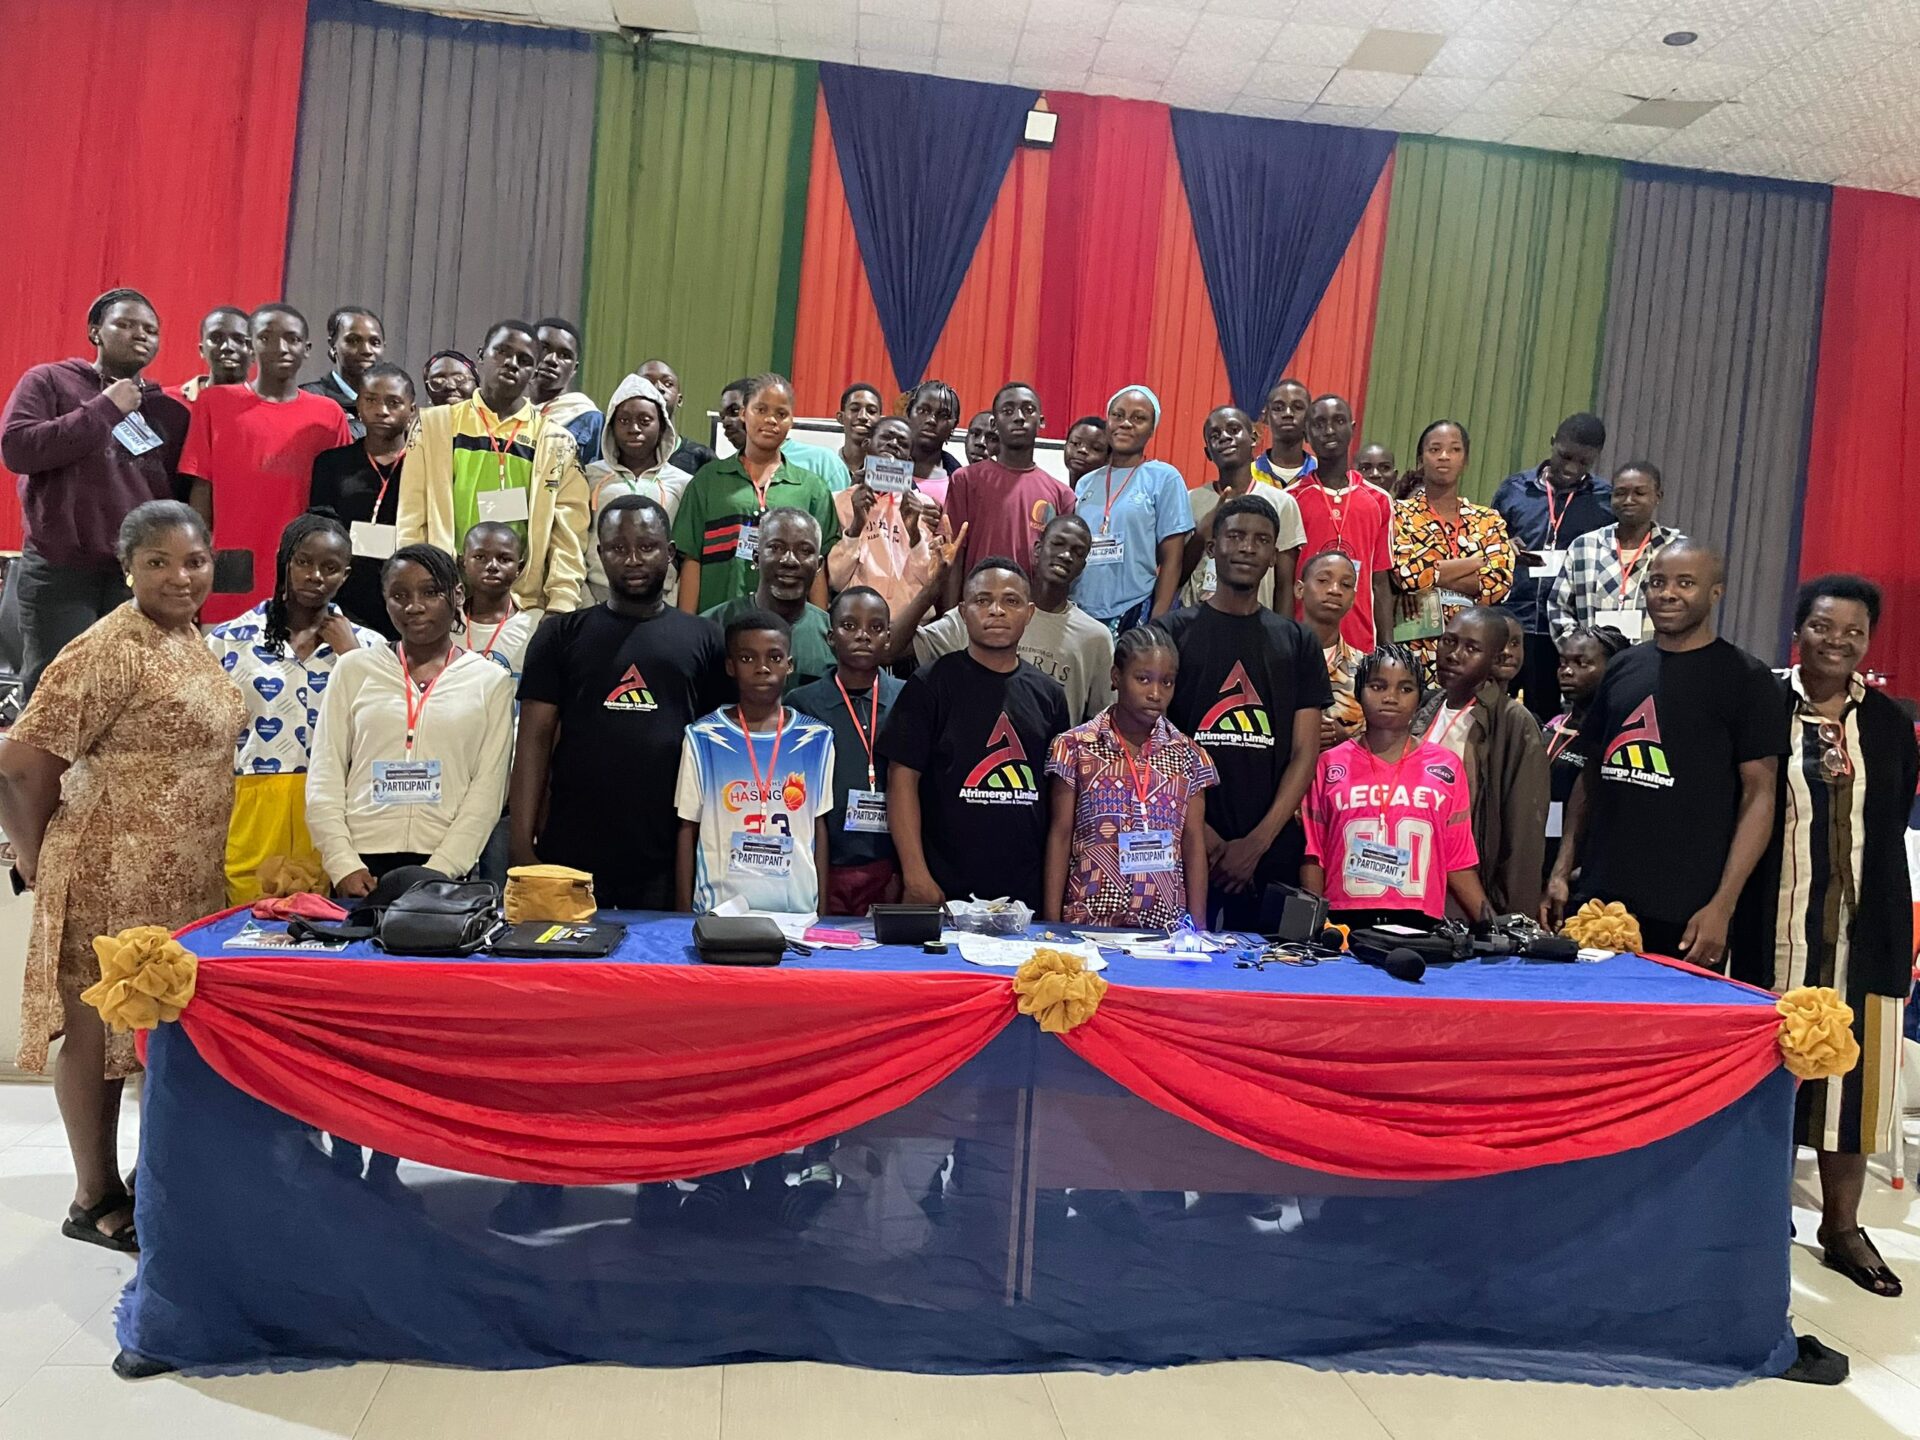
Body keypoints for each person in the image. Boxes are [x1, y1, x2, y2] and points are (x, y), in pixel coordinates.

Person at [0, 501, 245, 1252]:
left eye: (194, 561)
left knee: (149, 1035)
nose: (180, 576)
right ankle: (93, 1196)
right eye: (158, 562)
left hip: (182, 878)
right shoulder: (109, 646)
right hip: (110, 872)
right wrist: (33, 855)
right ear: (127, 568)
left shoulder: (189, 638)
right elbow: (19, 765)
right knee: (96, 1033)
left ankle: (149, 1177)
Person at [1734, 575, 1917, 1300]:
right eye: (1822, 627)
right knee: (1770, 1079)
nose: (1837, 642)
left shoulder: (1890, 723)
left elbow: (1892, 816)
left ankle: (1842, 1229)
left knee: (1855, 1088)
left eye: (1853, 632)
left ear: (1868, 641)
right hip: (1773, 925)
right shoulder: (1762, 704)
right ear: (1797, 630)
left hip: (1865, 931)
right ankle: (1760, 1218)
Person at [1545, 542, 1784, 966]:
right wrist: (1562, 871)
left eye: (1685, 583)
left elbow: (1759, 796)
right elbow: (1591, 776)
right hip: (1599, 902)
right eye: (1657, 582)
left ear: (1715, 593)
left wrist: (1723, 905)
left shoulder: (1747, 678)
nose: (1668, 593)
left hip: (1687, 914)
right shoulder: (1622, 667)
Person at [512, 496, 726, 909]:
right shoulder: (560, 635)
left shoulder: (706, 638)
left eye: (647, 547)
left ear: (670, 553)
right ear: (599, 553)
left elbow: (718, 752)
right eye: (617, 548)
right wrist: (521, 846)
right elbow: (533, 742)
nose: (632, 559)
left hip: (668, 856)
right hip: (572, 850)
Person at [1, 289, 192, 700]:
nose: (139, 335)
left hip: (136, 577)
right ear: (95, 332)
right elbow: (17, 449)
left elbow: (176, 497)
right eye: (125, 324)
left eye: (150, 330)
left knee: (129, 699)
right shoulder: (50, 381)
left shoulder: (170, 411)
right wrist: (105, 408)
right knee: (57, 696)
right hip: (61, 571)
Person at [1159, 495, 1330, 930]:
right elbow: (1155, 746)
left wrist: (1257, 843)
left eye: (1262, 540)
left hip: (1269, 847)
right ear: (1212, 547)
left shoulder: (1298, 642)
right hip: (1183, 838)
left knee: (1270, 968)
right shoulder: (1170, 633)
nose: (1248, 548)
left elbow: (1305, 752)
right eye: (1235, 536)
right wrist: (1201, 834)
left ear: (1274, 557)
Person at [305, 543, 515, 894]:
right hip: (360, 868)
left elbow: (488, 790)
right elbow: (325, 774)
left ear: (457, 595)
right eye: (399, 595)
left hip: (446, 869)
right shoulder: (354, 669)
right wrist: (342, 864)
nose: (414, 606)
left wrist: (442, 870)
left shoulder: (490, 681)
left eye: (430, 592)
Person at [878, 557, 1070, 910]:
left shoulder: (1050, 696)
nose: (996, 610)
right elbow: (901, 780)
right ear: (963, 612)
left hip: (1024, 898)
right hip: (943, 890)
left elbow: (1058, 803)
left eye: (1011, 601)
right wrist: (915, 874)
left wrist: (1052, 898)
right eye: (983, 600)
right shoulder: (930, 684)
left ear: (1029, 613)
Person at [207, 514, 379, 903]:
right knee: (250, 916)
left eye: (330, 568)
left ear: (345, 575)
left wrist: (351, 657)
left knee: (324, 920)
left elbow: (385, 728)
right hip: (253, 801)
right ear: (285, 562)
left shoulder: (369, 647)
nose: (315, 576)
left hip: (336, 804)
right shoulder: (229, 640)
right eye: (304, 562)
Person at [397, 319, 588, 617]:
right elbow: (412, 517)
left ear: (534, 370)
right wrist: (419, 587)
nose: (512, 364)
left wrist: (560, 604)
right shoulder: (435, 426)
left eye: (524, 360)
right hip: (444, 598)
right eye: (502, 352)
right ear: (481, 355)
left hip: (523, 605)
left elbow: (568, 535)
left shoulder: (556, 441)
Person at [182, 304, 354, 624]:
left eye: (292, 339)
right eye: (266, 338)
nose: (280, 348)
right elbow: (202, 492)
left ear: (307, 348)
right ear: (250, 345)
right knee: (223, 652)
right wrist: (194, 567)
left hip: (302, 572)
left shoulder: (328, 415)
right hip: (232, 566)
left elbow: (339, 501)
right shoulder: (215, 403)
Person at [1043, 625, 1216, 929]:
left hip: (1164, 928)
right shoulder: (1075, 747)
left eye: (1167, 682)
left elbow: (1193, 843)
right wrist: (1052, 924)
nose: (1155, 693)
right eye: (1143, 679)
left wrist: (1198, 930)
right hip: (1088, 923)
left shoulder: (1188, 755)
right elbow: (1060, 834)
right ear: (1116, 677)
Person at [1301, 644, 1486, 927]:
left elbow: (1458, 860)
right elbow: (1314, 856)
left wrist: (1492, 924)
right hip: (1344, 924)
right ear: (1359, 692)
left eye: (1405, 689)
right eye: (1378, 686)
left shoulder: (1447, 767)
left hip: (1420, 926)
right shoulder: (1327, 765)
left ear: (1420, 696)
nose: (1390, 697)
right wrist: (1314, 927)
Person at [674, 610, 836, 916]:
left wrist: (821, 912)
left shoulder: (816, 738)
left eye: (774, 658)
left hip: (795, 911)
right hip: (719, 911)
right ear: (730, 666)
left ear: (790, 665)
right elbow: (687, 827)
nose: (762, 668)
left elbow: (818, 825)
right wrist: (681, 916)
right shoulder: (703, 737)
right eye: (747, 658)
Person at [900, 513, 1114, 725]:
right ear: (1038, 550)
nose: (1066, 555)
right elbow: (893, 650)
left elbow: (1103, 721)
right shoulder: (980, 616)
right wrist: (933, 588)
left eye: (1077, 552)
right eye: (1058, 544)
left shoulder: (1095, 638)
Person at [1411, 607, 1549, 920]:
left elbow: (1523, 831)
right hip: (1414, 878)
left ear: (1494, 660)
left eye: (1471, 648)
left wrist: (1513, 915)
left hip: (1468, 889)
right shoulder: (1425, 708)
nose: (1453, 655)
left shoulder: (1514, 722)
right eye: (1449, 641)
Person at [673, 373, 839, 613]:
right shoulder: (708, 480)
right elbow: (691, 559)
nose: (771, 420)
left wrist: (819, 626)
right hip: (717, 622)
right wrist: (688, 626)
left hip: (786, 627)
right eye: (761, 410)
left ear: (791, 421)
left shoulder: (812, 489)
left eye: (781, 414)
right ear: (743, 413)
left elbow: (819, 567)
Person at [1491, 413, 1615, 720]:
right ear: (1552, 444)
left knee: (1547, 718)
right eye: (1565, 456)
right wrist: (1504, 546)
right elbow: (1488, 543)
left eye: (1584, 462)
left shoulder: (1605, 501)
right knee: (1493, 711)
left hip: (1563, 631)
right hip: (1511, 620)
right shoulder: (1514, 489)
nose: (1572, 468)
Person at [790, 587, 906, 915]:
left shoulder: (908, 699)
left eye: (875, 627)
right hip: (823, 864)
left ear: (888, 637)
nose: (863, 635)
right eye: (849, 626)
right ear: (831, 637)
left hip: (888, 863)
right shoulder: (802, 704)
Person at [1388, 419, 1512, 673]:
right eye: (1435, 449)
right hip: (1415, 646)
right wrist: (1474, 563)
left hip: (1472, 650)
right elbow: (1406, 575)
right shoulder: (1397, 514)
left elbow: (1498, 583)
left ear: (1465, 460)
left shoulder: (1488, 520)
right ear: (1421, 459)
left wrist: (1430, 577)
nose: (1444, 456)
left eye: (1454, 449)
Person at [308, 360, 418, 638]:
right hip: (346, 597)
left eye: (394, 402)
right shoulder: (331, 464)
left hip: (409, 596)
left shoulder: (425, 466)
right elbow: (320, 528)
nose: (382, 410)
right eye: (371, 400)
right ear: (358, 405)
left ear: (412, 410)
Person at [1069, 385, 1192, 630]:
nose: (1125, 423)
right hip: (1079, 610)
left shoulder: (1164, 478)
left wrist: (1157, 621)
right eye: (1118, 415)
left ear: (1152, 429)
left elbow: (1173, 560)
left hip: (1133, 610)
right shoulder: (1086, 482)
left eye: (1138, 418)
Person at [944, 383, 1077, 597]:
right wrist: (952, 613)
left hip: (1030, 609)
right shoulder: (965, 480)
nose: (1019, 417)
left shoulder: (1062, 495)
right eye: (1008, 411)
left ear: (1041, 421)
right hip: (975, 605)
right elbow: (954, 554)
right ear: (994, 424)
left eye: (1028, 410)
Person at [1290, 394, 1394, 650]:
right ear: (1306, 434)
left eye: (1338, 421)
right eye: (1319, 424)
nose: (1329, 430)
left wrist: (1388, 649)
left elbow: (1380, 582)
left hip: (1359, 641)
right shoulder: (1291, 499)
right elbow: (1283, 582)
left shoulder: (1378, 500)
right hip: (1301, 640)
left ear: (1352, 428)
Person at [1179, 405, 1307, 609]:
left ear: (1253, 438)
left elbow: (1284, 586)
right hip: (1196, 617)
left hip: (1256, 618)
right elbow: (1176, 576)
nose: (1224, 437)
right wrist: (1202, 534)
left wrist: (1282, 629)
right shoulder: (1189, 500)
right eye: (1215, 435)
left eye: (1233, 430)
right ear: (1208, 452)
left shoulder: (1281, 503)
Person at [584, 372, 691, 605]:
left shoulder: (683, 483)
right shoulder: (590, 476)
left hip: (661, 600)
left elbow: (686, 554)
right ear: (611, 426)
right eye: (624, 421)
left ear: (662, 426)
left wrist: (673, 605)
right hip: (597, 596)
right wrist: (584, 602)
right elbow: (576, 540)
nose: (634, 429)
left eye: (645, 421)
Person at [700, 507, 834, 691]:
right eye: (776, 548)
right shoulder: (711, 628)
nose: (790, 560)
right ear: (756, 558)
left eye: (804, 550)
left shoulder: (833, 635)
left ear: (818, 565)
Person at [1548, 461, 1683, 643]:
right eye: (1620, 493)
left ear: (1658, 497)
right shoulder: (1584, 546)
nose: (1628, 500)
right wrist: (1580, 650)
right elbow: (1558, 607)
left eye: (1639, 493)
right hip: (1593, 659)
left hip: (1657, 657)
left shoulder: (1677, 549)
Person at [827, 415, 943, 614]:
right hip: (859, 616)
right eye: (886, 437)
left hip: (912, 622)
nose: (894, 444)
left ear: (908, 459)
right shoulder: (839, 501)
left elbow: (931, 581)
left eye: (903, 443)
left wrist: (914, 534)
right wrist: (856, 527)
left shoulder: (924, 506)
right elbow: (836, 581)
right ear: (867, 444)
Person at [1541, 625, 1629, 875]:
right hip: (1538, 853)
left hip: (1583, 867)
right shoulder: (1552, 726)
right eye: (1563, 663)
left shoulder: (1615, 736)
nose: (1567, 671)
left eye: (1582, 663)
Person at [1297, 550, 1364, 749]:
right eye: (1323, 581)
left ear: (1353, 598)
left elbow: (1383, 741)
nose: (1335, 590)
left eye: (1346, 584)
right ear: (1300, 589)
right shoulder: (1274, 657)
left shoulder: (1365, 668)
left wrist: (1346, 740)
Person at [299, 306, 385, 439]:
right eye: (354, 341)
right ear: (333, 346)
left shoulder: (393, 404)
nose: (367, 350)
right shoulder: (309, 398)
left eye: (375, 342)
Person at [528, 316, 603, 464]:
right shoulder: (508, 414)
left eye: (565, 355)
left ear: (574, 368)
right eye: (543, 348)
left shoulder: (589, 420)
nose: (552, 359)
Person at [638, 358, 715, 474]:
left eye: (668, 384)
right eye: (647, 383)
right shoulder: (616, 455)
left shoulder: (702, 458)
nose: (658, 387)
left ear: (679, 400)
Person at [903, 380, 965, 504]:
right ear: (909, 414)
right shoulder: (883, 465)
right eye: (923, 411)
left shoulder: (963, 481)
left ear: (954, 426)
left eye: (944, 415)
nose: (931, 420)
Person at [174, 306, 252, 403]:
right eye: (216, 339)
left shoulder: (266, 406)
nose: (227, 347)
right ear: (202, 350)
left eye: (239, 340)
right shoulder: (170, 401)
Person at [1252, 376, 1315, 486]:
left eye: (1298, 407)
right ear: (1265, 416)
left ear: (1310, 416)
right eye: (1278, 408)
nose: (1288, 414)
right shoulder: (1248, 475)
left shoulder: (1321, 474)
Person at [834, 382, 884, 486]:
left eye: (871, 411)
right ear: (840, 417)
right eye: (855, 409)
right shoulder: (826, 466)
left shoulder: (888, 472)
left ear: (880, 421)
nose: (863, 416)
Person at [1062, 416, 1110, 485]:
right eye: (1075, 443)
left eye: (1095, 448)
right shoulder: (1054, 489)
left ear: (1109, 458)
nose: (1082, 450)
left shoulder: (1114, 491)